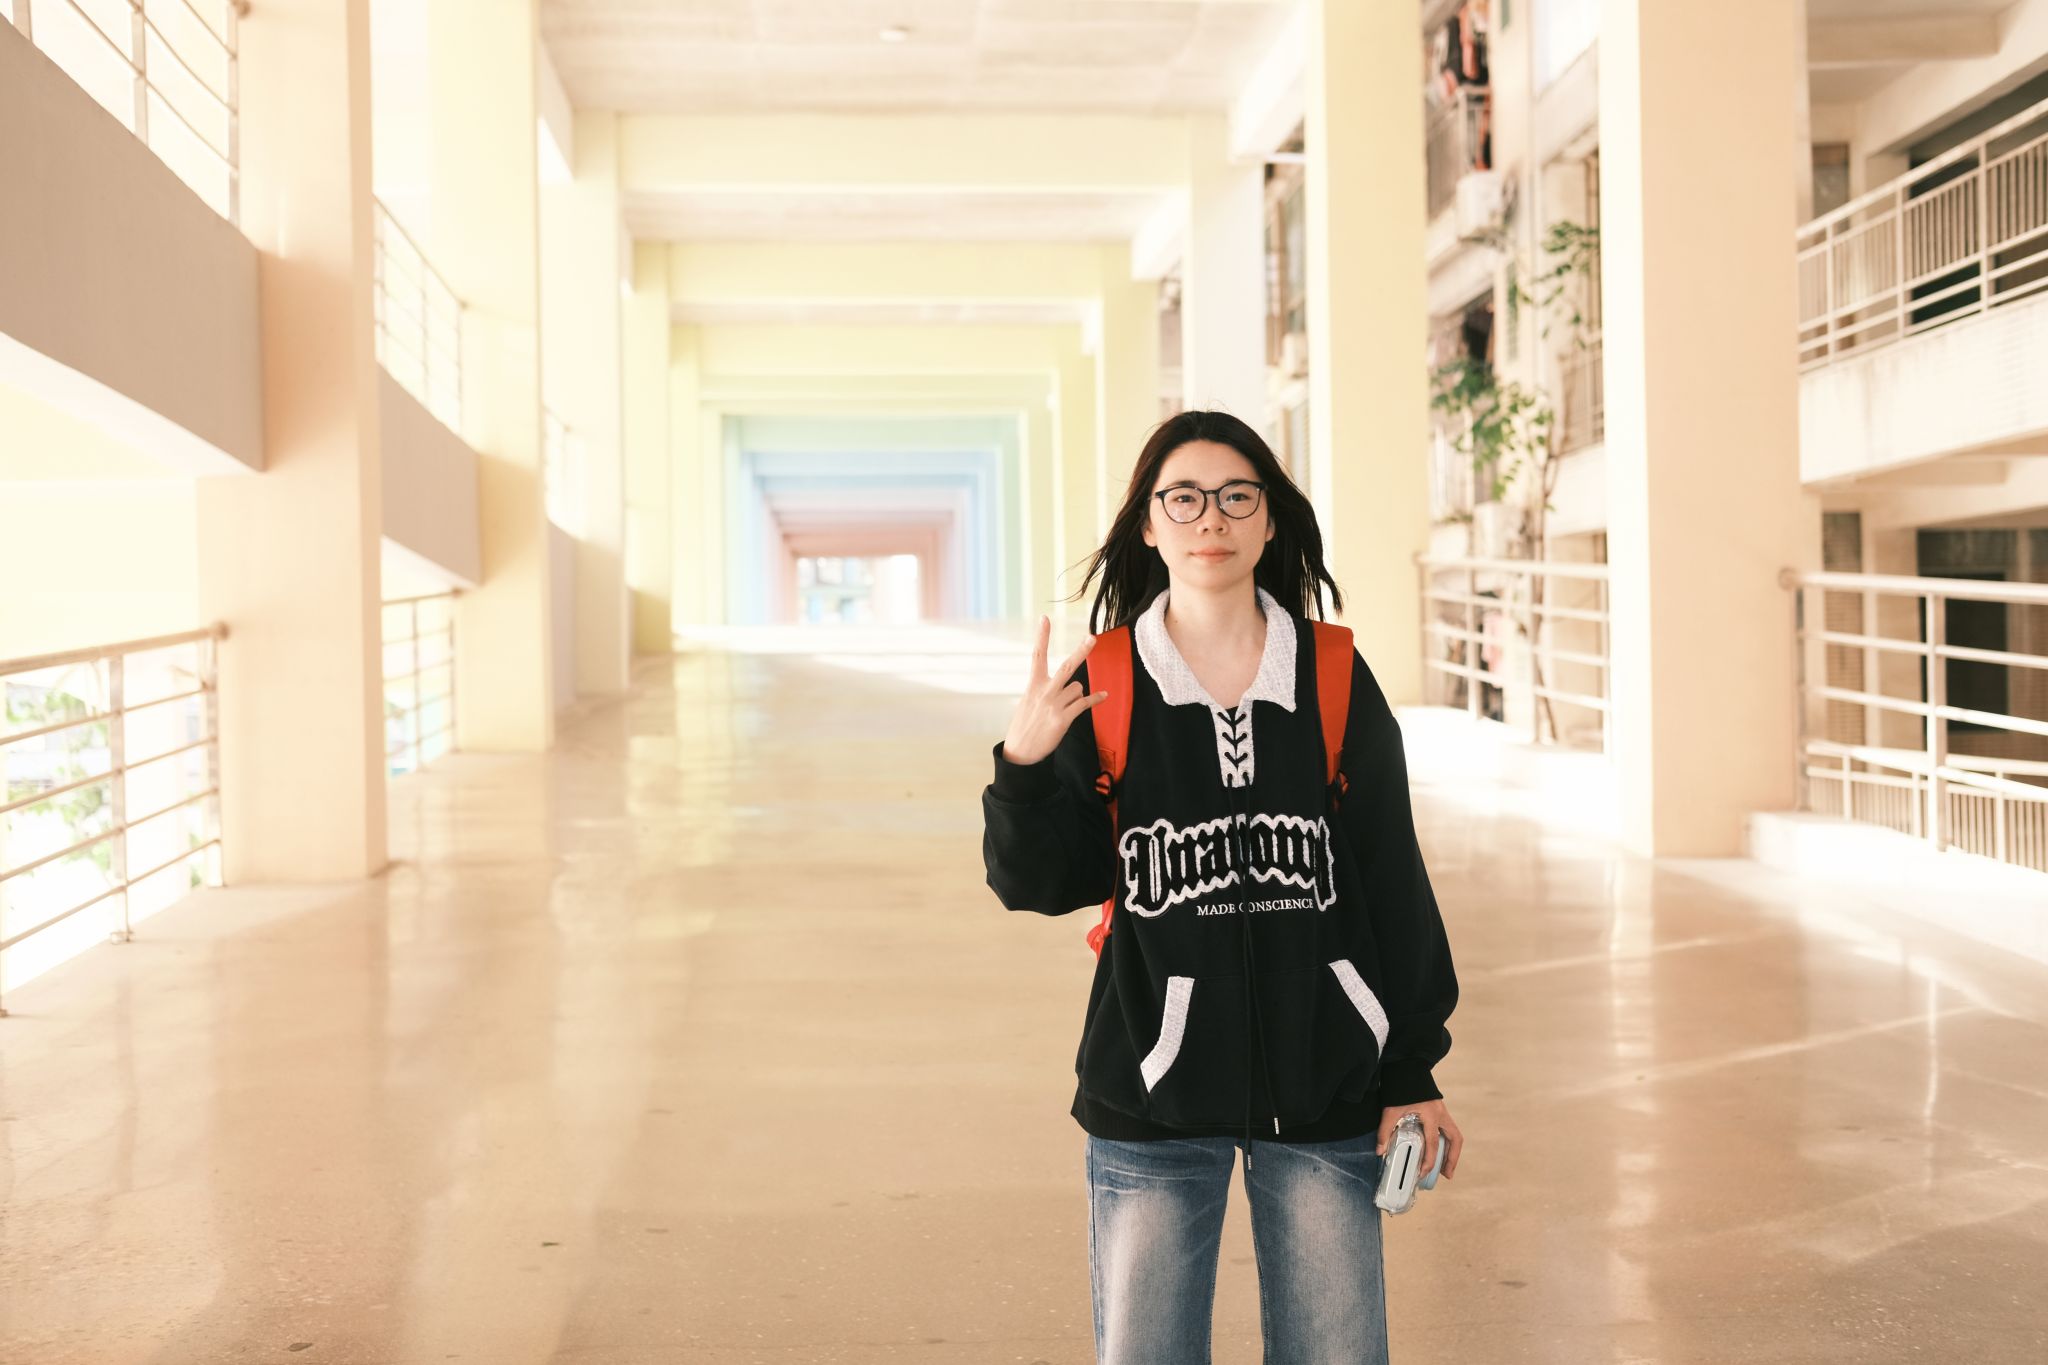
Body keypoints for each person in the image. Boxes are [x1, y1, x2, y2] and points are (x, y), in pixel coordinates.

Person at [980, 410, 1463, 1364]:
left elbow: (1390, 880)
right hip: (1148, 1088)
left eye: (1238, 495)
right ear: (1149, 523)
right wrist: (1024, 765)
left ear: (1270, 519)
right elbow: (1039, 882)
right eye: (1185, 498)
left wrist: (1411, 1068)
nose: (1212, 517)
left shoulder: (1332, 673)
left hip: (1327, 1078)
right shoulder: (1108, 681)